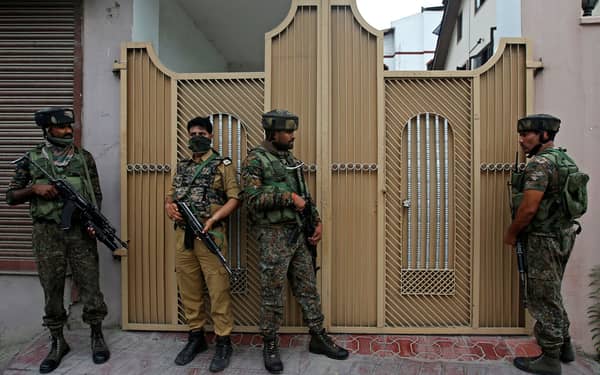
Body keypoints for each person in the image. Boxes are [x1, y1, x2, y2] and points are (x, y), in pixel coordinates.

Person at [241, 109, 349, 374]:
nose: (292, 137)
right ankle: (270, 344)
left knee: (307, 287)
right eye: (288, 132)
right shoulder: (255, 160)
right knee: (272, 295)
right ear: (273, 132)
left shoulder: (290, 160)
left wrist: (317, 221)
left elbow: (305, 196)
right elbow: (252, 198)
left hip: (299, 234)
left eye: (293, 132)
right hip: (273, 237)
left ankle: (318, 337)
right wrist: (287, 197)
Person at [6, 107, 110, 373]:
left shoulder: (83, 158)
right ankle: (57, 341)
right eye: (62, 127)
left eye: (69, 127)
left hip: (79, 233)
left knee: (90, 285)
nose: (67, 131)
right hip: (47, 234)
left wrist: (92, 222)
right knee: (51, 288)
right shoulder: (32, 159)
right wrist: (34, 189)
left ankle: (97, 336)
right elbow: (11, 196)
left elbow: (94, 193)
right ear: (47, 130)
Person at [504, 114, 581, 375]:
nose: (522, 140)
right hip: (563, 235)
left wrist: (512, 234)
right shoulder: (564, 158)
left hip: (543, 239)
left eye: (528, 134)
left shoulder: (540, 164)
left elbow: (528, 209)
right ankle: (565, 345)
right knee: (553, 293)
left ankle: (550, 358)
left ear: (544, 136)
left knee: (543, 297)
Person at [164, 116, 240, 372]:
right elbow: (170, 197)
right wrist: (170, 209)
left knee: (218, 289)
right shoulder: (182, 166)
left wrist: (214, 218)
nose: (196, 136)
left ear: (210, 136)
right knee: (189, 288)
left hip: (210, 235)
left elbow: (234, 198)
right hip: (183, 237)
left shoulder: (222, 165)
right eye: (192, 132)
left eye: (201, 133)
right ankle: (196, 337)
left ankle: (223, 341)